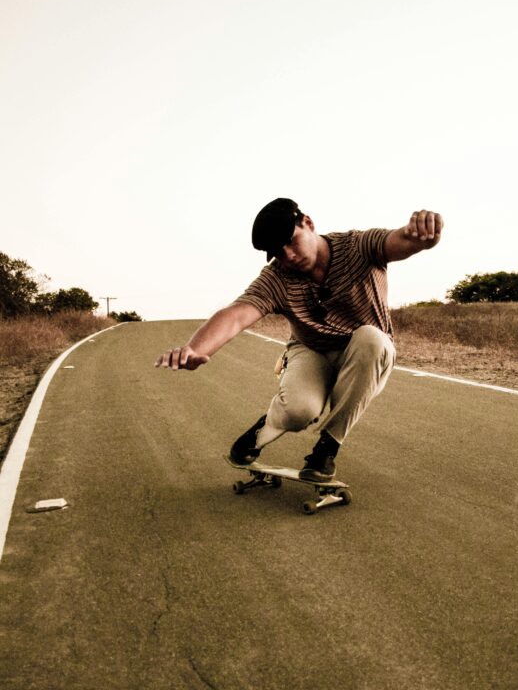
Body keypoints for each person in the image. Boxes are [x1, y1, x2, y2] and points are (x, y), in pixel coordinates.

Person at [155, 199, 443, 481]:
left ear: (308, 223)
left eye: (291, 242)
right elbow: (237, 314)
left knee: (372, 339)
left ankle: (327, 448)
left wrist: (422, 238)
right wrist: (195, 349)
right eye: (278, 253)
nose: (289, 256)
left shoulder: (357, 246)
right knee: (299, 411)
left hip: (364, 353)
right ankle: (261, 431)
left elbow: (398, 241)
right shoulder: (277, 278)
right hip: (311, 350)